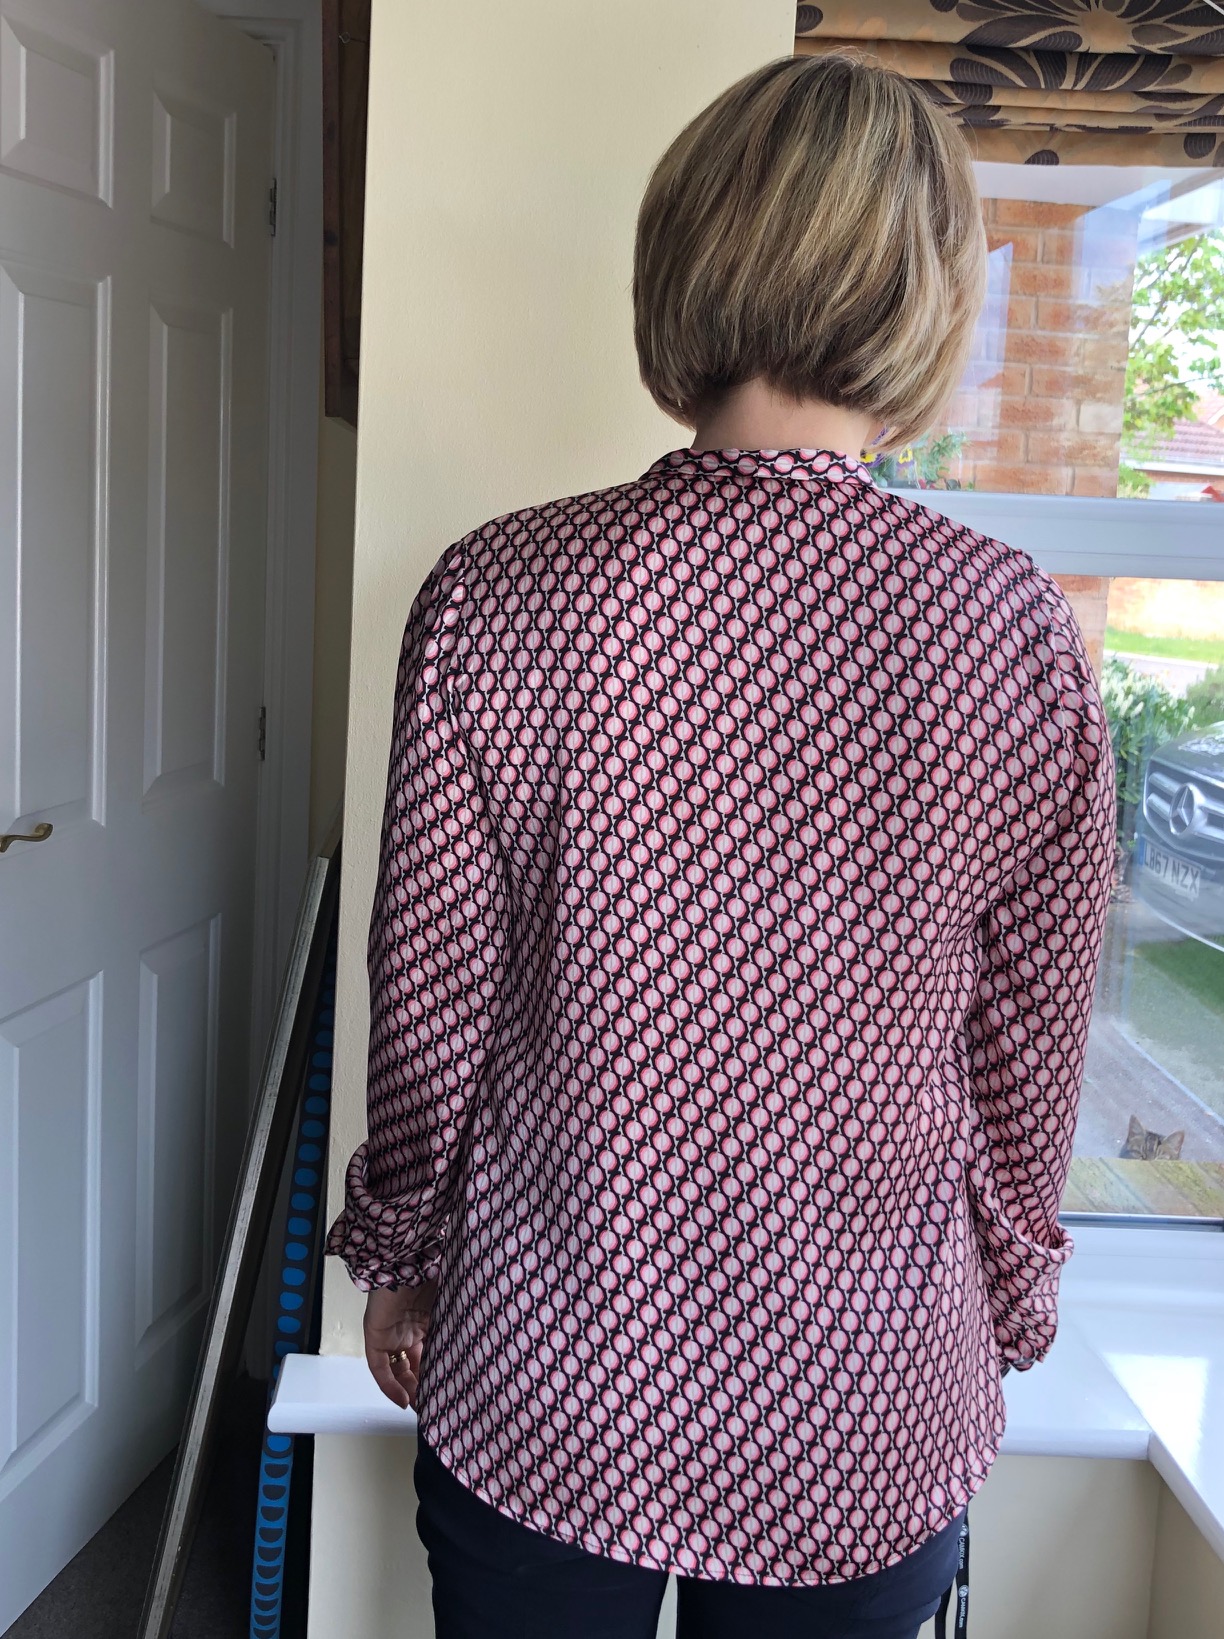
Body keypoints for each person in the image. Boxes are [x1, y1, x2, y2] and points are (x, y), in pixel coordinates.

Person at [326, 51, 1116, 1639]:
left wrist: (400, 1253)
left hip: (552, 1369)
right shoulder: (1013, 635)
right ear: (930, 295)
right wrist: (1012, 1299)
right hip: (863, 1393)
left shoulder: (498, 595)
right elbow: (1028, 1055)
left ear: (686, 251)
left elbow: (429, 1003)